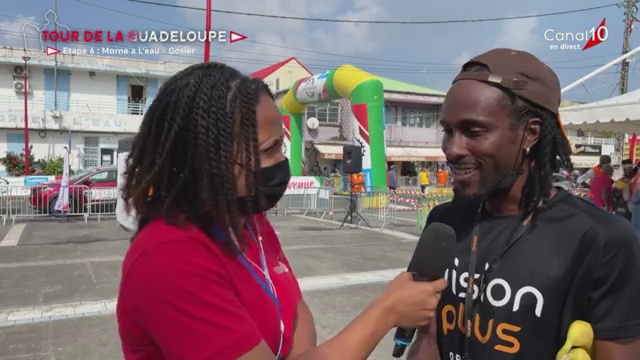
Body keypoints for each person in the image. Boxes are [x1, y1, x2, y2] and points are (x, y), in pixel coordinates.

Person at [115, 62, 448, 360]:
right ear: (206, 160)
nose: (284, 162)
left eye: (282, 146)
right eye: (269, 149)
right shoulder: (170, 259)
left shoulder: (248, 221)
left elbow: (295, 314)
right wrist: (386, 311)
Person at [407, 49, 640, 359]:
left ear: (530, 133)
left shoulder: (603, 241)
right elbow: (428, 341)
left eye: (473, 131)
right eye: (447, 131)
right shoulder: (444, 222)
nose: (452, 149)